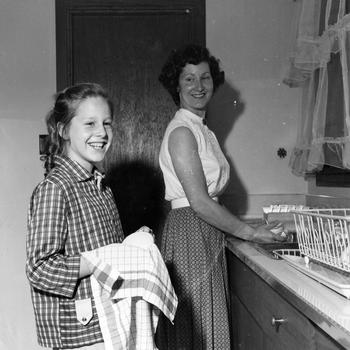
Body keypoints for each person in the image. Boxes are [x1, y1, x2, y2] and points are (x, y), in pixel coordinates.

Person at [156, 44, 286, 349]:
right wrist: (252, 232)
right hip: (191, 231)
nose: (198, 86)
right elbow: (200, 202)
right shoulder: (182, 132)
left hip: (202, 231)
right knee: (198, 328)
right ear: (176, 85)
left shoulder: (202, 130)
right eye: (189, 79)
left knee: (206, 325)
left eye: (205, 78)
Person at [26, 83, 124, 350]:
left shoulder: (101, 186)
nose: (102, 133)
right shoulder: (55, 188)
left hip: (108, 321)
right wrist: (97, 261)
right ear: (63, 130)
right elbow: (39, 269)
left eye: (107, 123)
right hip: (79, 334)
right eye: (90, 124)